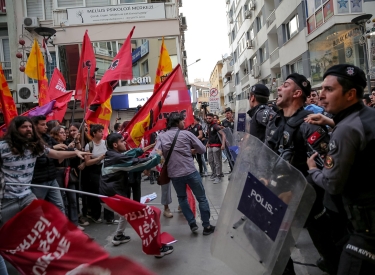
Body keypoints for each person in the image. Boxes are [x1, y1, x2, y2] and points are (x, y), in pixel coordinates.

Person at [264, 73, 337, 275]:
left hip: (309, 203)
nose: (278, 88)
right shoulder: (275, 122)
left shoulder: (309, 124)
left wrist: (297, 192)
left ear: (297, 93)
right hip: (278, 198)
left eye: (285, 85)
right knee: (276, 250)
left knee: (330, 252)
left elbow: (325, 168)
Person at [306, 64, 375, 275]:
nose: (321, 96)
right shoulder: (368, 116)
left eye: (329, 89)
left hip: (365, 231)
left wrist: (312, 170)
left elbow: (332, 184)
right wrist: (330, 122)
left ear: (350, 94)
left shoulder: (346, 129)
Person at [0, 117, 89, 274]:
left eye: (30, 127)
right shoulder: (3, 147)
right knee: (8, 238)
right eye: (24, 127)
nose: (28, 129)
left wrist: (74, 152)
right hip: (6, 200)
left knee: (40, 228)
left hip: (27, 196)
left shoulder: (35, 145)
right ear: (15, 130)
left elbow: (54, 153)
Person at [99, 133, 174, 258]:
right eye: (122, 141)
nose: (125, 143)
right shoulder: (116, 158)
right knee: (150, 214)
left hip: (108, 197)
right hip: (112, 198)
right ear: (115, 145)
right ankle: (157, 248)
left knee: (125, 216)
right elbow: (141, 164)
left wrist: (150, 146)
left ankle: (118, 236)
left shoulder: (111, 155)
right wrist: (157, 156)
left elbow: (131, 153)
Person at [155, 113, 215, 235]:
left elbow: (155, 154)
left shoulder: (161, 137)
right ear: (177, 123)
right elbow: (202, 149)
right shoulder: (186, 134)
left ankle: (192, 223)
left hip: (175, 174)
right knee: (201, 198)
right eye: (183, 121)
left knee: (182, 198)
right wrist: (189, 150)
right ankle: (206, 226)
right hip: (190, 171)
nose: (184, 123)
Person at [30, 115, 65, 213]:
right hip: (38, 181)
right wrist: (54, 148)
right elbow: (52, 152)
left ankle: (62, 228)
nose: (46, 127)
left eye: (46, 124)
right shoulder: (29, 140)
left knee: (59, 205)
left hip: (52, 178)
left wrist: (75, 150)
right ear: (35, 126)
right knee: (37, 209)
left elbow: (60, 149)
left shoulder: (47, 137)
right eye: (43, 124)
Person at [84, 124, 114, 224]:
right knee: (96, 193)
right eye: (100, 131)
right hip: (94, 171)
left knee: (108, 192)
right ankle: (95, 215)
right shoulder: (89, 145)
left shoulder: (106, 143)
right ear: (94, 133)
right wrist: (98, 159)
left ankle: (109, 217)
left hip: (106, 169)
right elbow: (87, 163)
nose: (102, 133)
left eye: (102, 131)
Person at [206, 113, 226, 184]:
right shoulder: (209, 126)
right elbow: (210, 135)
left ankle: (218, 176)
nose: (208, 119)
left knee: (217, 162)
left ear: (212, 118)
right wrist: (208, 142)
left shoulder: (215, 126)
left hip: (217, 146)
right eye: (207, 118)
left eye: (210, 118)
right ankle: (214, 173)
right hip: (211, 145)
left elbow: (223, 134)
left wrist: (223, 144)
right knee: (210, 160)